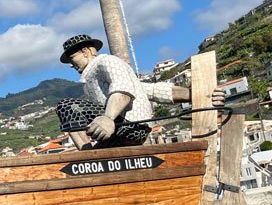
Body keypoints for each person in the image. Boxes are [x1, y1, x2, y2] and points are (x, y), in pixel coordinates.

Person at [56, 34, 225, 150]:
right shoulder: (93, 78)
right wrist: (199, 96)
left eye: (72, 59)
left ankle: (88, 157)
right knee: (103, 154)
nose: (71, 65)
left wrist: (108, 118)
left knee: (67, 107)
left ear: (86, 51)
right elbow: (150, 90)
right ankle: (93, 159)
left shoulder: (105, 62)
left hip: (128, 124)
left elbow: (123, 89)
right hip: (126, 130)